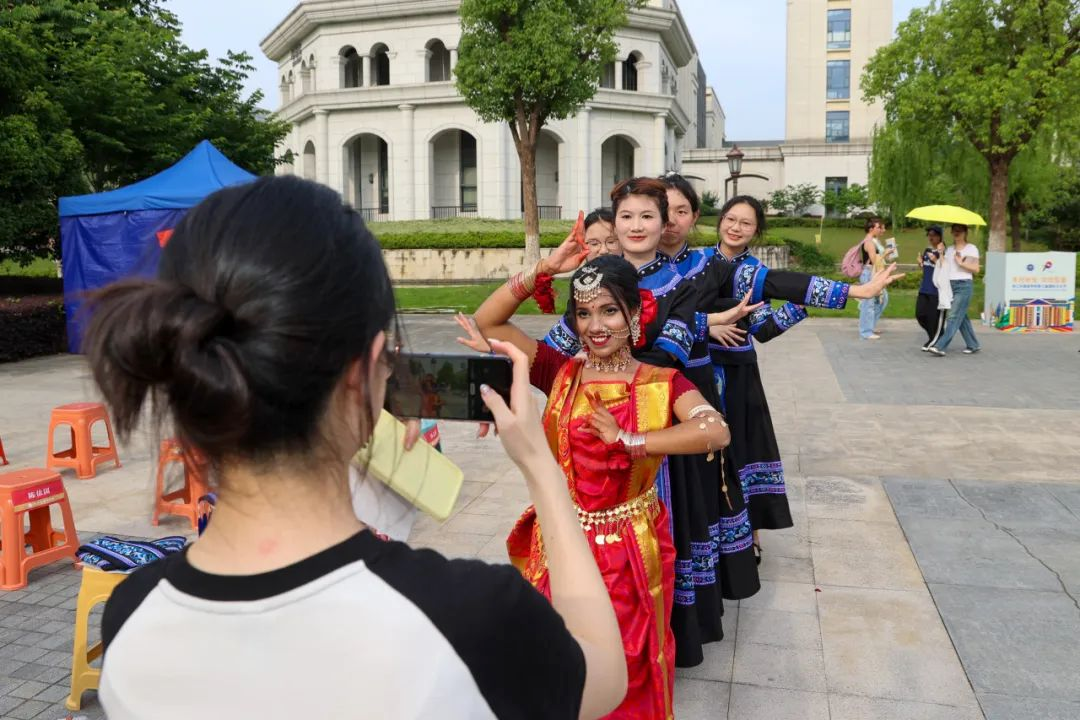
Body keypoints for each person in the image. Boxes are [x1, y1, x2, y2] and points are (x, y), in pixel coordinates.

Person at [86, 175, 628, 720]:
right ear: (366, 368)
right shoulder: (470, 617)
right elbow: (603, 674)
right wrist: (540, 465)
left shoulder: (132, 613)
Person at [469, 254, 731, 718]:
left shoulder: (661, 382)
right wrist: (543, 269)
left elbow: (715, 430)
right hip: (562, 538)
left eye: (609, 310)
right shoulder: (560, 372)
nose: (595, 326)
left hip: (629, 549)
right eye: (584, 312)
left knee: (626, 666)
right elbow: (488, 321)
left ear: (636, 313)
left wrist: (630, 440)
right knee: (553, 657)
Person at [928, 223, 982, 356]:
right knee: (961, 317)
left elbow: (976, 269)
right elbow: (944, 265)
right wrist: (941, 253)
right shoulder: (950, 249)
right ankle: (973, 344)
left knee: (953, 316)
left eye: (959, 231)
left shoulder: (971, 248)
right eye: (954, 231)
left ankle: (940, 346)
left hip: (964, 285)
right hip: (950, 285)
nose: (956, 233)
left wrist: (961, 263)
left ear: (965, 232)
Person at [915, 226, 947, 351]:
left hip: (936, 290)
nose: (931, 237)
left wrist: (936, 260)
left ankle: (934, 340)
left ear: (939, 236)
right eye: (929, 235)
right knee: (920, 314)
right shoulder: (927, 250)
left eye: (933, 235)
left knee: (934, 318)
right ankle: (935, 337)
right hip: (925, 288)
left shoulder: (943, 251)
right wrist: (920, 263)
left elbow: (945, 269)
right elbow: (926, 268)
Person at [858, 217, 889, 340]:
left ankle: (870, 326)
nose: (881, 229)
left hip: (874, 273)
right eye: (878, 227)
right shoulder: (869, 242)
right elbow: (875, 261)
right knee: (869, 304)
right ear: (871, 229)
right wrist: (885, 254)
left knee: (883, 300)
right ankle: (866, 332)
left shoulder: (874, 241)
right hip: (869, 274)